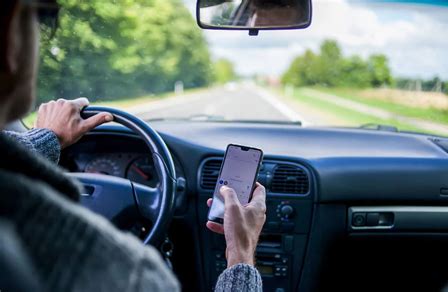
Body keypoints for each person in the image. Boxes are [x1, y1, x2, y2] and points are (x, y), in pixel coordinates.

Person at [0, 0, 266, 291]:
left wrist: (48, 137)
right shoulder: (131, 275)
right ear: (9, 38)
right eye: (45, 16)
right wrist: (240, 252)